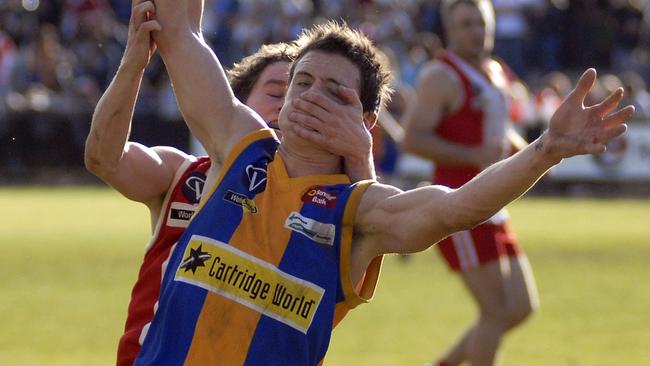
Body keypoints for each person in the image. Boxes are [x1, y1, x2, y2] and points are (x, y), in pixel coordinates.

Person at [132, 1, 633, 364]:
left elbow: (456, 208)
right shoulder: (236, 146)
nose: (310, 97)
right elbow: (182, 34)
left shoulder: (357, 212)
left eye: (334, 91)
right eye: (301, 83)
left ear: (366, 120)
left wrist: (546, 150)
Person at [83, 1, 375, 365]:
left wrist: (360, 155)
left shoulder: (328, 210)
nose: (299, 106)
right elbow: (103, 158)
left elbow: (361, 241)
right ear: (238, 104)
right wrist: (134, 61)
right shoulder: (184, 175)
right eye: (277, 93)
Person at [402, 1, 538, 365]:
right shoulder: (440, 76)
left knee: (521, 306)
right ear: (450, 29)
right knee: (495, 311)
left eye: (482, 23)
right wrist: (474, 154)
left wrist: (534, 153)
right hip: (460, 203)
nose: (476, 31)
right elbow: (413, 138)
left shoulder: (495, 71)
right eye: (466, 24)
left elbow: (498, 131)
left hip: (495, 203)